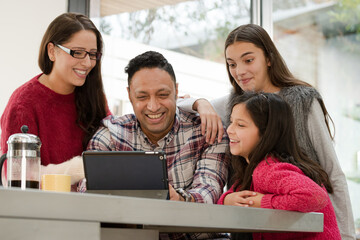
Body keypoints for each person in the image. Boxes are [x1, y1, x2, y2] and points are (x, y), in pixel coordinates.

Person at [178, 23, 355, 239]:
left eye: (248, 60)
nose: (239, 71)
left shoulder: (303, 100)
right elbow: (177, 104)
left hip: (304, 226)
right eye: (231, 64)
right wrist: (201, 103)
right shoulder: (235, 103)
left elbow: (332, 172)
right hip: (255, 228)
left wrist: (346, 235)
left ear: (269, 58)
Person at [87, 51, 230, 240]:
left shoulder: (206, 131)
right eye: (142, 97)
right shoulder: (110, 135)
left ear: (177, 91)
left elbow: (209, 191)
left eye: (162, 95)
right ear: (129, 95)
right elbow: (87, 194)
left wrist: (179, 199)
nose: (153, 106)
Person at [0, 13, 108, 188]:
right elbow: (16, 178)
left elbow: (111, 153)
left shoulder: (94, 97)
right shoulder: (23, 104)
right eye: (77, 52)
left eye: (93, 54)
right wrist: (81, 167)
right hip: (44, 212)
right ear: (52, 51)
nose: (87, 63)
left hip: (91, 209)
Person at [217, 91, 341, 240]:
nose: (229, 129)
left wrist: (262, 202)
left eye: (241, 125)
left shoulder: (268, 169)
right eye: (231, 121)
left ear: (266, 133)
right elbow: (230, 196)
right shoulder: (253, 170)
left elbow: (315, 196)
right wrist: (227, 199)